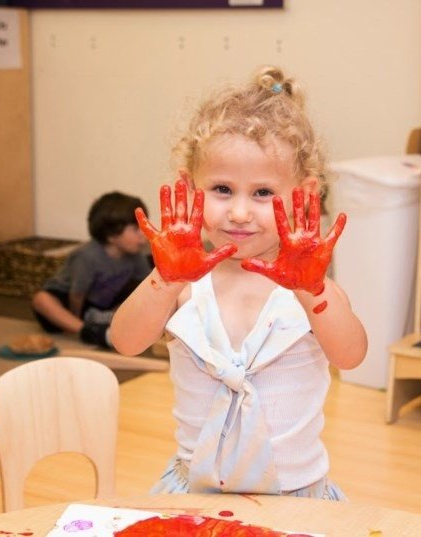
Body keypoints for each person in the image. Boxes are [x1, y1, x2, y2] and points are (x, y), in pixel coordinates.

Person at [110, 66, 368, 500]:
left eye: (263, 193)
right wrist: (164, 280)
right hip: (194, 492)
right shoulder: (186, 282)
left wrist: (313, 291)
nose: (241, 212)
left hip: (294, 495)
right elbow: (124, 341)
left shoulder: (309, 286)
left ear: (303, 193)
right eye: (222, 189)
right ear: (189, 186)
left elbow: (352, 355)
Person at [31, 191, 151, 349]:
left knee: (138, 293)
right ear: (111, 235)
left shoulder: (135, 254)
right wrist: (75, 319)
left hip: (100, 304)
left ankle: (100, 322)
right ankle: (89, 331)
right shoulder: (87, 256)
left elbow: (149, 285)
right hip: (70, 302)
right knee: (41, 299)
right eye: (136, 229)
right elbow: (77, 294)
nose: (144, 234)